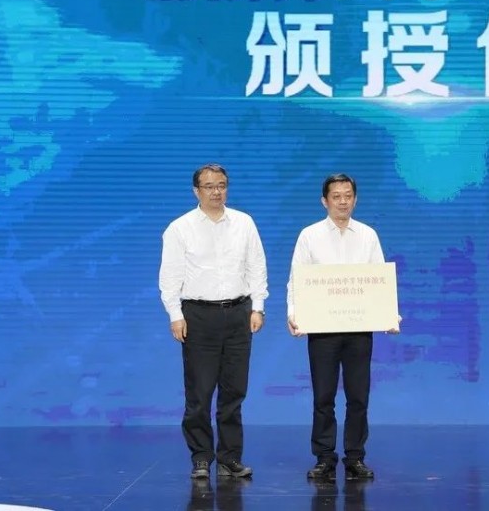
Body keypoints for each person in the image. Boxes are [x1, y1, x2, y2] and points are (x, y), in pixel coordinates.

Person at [287, 173, 399, 482]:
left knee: (358, 397)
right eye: (336, 196)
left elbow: (379, 280)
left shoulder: (367, 235)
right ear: (324, 201)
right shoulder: (309, 236)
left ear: (355, 199)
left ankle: (355, 457)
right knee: (323, 397)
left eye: (348, 196)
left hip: (358, 328)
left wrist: (389, 315)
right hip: (322, 328)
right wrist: (294, 313)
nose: (343, 201)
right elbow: (296, 280)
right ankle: (324, 458)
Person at [159, 163, 268, 480]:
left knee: (234, 391)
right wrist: (175, 315)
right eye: (209, 186)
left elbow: (256, 266)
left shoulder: (244, 222)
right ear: (196, 191)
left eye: (221, 185)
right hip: (198, 316)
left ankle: (229, 458)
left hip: (238, 313)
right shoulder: (180, 228)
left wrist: (258, 307)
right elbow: (170, 278)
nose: (216, 191)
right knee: (200, 393)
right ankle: (201, 457)